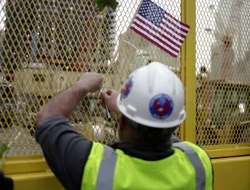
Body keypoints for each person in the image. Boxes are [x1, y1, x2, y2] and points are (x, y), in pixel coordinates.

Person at [35, 62, 214, 190]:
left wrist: (83, 84)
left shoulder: (94, 166)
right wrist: (126, 109)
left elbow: (47, 118)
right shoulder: (198, 161)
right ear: (176, 123)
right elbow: (161, 135)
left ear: (120, 123)